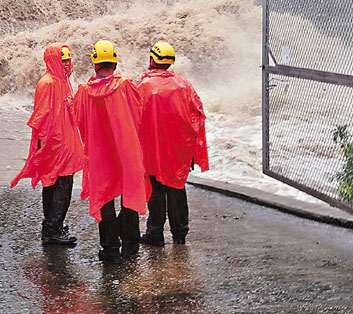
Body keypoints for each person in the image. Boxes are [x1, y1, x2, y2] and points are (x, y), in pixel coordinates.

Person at [74, 40, 149, 262]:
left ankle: (110, 249)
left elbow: (79, 121)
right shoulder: (127, 85)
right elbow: (139, 115)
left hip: (99, 155)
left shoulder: (84, 91)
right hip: (126, 150)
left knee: (104, 198)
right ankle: (131, 244)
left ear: (94, 63)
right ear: (114, 61)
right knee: (130, 193)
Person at [11, 43, 86, 245]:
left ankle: (53, 225)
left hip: (63, 144)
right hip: (56, 146)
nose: (66, 64)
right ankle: (52, 229)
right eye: (62, 61)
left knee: (56, 184)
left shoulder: (61, 82)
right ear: (52, 60)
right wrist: (44, 146)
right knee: (60, 185)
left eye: (67, 61)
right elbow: (40, 118)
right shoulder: (49, 83)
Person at [136, 41, 208, 246]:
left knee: (156, 190)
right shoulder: (184, 85)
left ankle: (155, 233)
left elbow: (134, 118)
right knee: (177, 188)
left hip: (152, 149)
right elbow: (198, 114)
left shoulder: (144, 86)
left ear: (152, 60)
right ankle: (179, 234)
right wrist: (193, 147)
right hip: (178, 149)